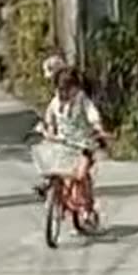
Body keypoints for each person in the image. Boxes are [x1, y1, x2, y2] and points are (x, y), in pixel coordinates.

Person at [34, 66, 109, 199]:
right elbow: (50, 116)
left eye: (68, 88)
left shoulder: (82, 100)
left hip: (83, 144)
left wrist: (98, 127)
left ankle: (86, 208)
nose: (64, 92)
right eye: (61, 88)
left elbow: (92, 114)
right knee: (52, 165)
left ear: (76, 87)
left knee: (80, 175)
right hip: (64, 143)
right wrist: (49, 129)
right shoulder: (56, 101)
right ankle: (49, 186)